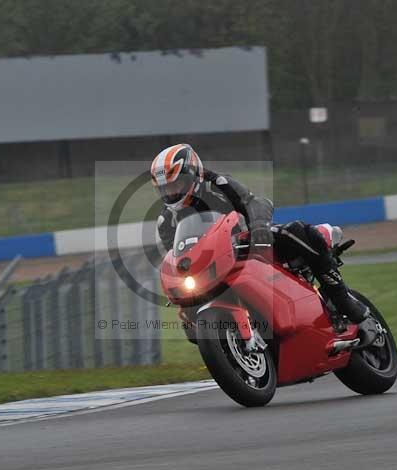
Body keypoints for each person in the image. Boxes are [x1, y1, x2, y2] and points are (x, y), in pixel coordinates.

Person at [150, 144, 382, 347]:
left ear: (194, 173)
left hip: (248, 241)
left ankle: (344, 300)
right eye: (166, 188)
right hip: (213, 265)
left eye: (177, 184)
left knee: (298, 232)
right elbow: (178, 254)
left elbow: (256, 202)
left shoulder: (218, 184)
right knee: (191, 327)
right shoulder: (166, 221)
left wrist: (259, 227)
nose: (172, 192)